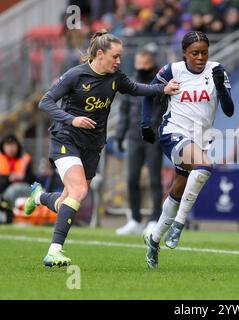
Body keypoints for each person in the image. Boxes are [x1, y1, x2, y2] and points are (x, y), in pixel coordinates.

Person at [23, 29, 179, 267]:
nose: (119, 61)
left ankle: (39, 196)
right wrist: (70, 119)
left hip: (93, 145)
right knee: (78, 192)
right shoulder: (76, 75)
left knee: (67, 199)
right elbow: (46, 101)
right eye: (115, 56)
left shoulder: (116, 78)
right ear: (99, 54)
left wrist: (162, 89)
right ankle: (54, 251)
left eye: (120, 57)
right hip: (66, 139)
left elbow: (137, 88)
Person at [141, 31, 234, 269]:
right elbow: (149, 94)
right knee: (204, 166)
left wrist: (220, 88)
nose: (200, 57)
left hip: (200, 139)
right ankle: (178, 226)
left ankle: (153, 239)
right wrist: (145, 123)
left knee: (177, 191)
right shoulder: (172, 71)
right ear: (184, 53)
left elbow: (229, 110)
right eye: (195, 53)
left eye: (204, 52)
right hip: (173, 133)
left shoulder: (217, 70)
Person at [115, 49, 164, 236]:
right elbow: (124, 113)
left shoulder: (160, 81)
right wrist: (120, 136)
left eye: (145, 61)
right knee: (132, 179)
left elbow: (166, 109)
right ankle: (135, 219)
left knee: (154, 180)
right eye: (139, 61)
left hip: (153, 138)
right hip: (134, 137)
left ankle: (154, 219)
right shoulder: (129, 83)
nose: (142, 65)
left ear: (152, 62)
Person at [0, 134, 35, 223]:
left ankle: (8, 215)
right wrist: (9, 179)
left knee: (13, 189)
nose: (11, 148)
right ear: (3, 147)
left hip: (24, 189)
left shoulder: (25, 158)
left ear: (17, 146)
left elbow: (31, 179)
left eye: (13, 145)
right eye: (8, 145)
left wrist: (18, 178)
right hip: (5, 190)